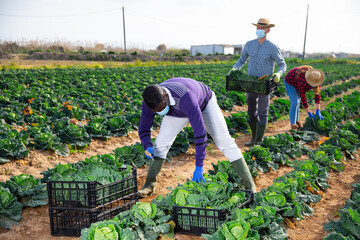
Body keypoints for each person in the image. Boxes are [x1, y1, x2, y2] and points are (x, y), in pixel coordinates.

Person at [138, 77, 256, 197]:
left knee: (223, 140)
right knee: (160, 144)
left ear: (166, 97)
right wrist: (147, 145)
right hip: (177, 110)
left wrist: (199, 166)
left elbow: (199, 133)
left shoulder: (185, 98)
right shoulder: (150, 102)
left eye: (162, 108)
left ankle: (249, 185)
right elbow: (143, 128)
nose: (161, 112)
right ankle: (149, 185)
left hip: (204, 102)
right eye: (157, 111)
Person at [229, 18, 287, 147]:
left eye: (262, 28)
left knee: (263, 111)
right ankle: (253, 137)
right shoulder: (249, 44)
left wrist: (278, 73)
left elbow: (282, 65)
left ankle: (259, 140)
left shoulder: (273, 47)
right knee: (251, 110)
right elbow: (241, 60)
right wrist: (234, 68)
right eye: (258, 28)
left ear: (268, 30)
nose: (259, 30)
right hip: (251, 83)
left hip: (264, 84)